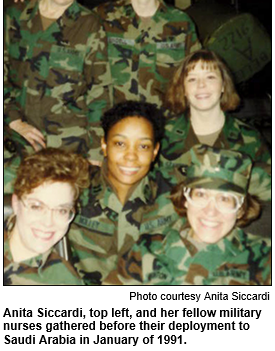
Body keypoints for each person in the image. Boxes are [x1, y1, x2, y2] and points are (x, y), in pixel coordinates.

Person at [4, 0, 109, 193]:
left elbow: (99, 92)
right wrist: (13, 120)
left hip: (68, 142)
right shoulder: (16, 15)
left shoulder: (89, 25)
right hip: (17, 138)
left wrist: (95, 154)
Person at [109, 145, 271, 285]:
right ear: (185, 199)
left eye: (225, 199)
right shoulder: (143, 251)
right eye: (201, 195)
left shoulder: (265, 259)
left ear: (241, 209)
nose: (210, 211)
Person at [68, 101, 183, 285]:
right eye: (120, 143)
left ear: (155, 151)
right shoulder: (75, 187)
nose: (131, 156)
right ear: (104, 145)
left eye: (143, 146)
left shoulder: (176, 194)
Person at [94, 0, 201, 107]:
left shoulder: (181, 23)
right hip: (117, 127)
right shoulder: (102, 17)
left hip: (165, 127)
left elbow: (195, 79)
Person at [160, 49, 271, 204]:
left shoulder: (250, 138)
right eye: (192, 79)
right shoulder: (162, 135)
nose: (201, 85)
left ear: (224, 85)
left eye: (210, 77)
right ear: (183, 89)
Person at [4, 148, 90, 285]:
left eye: (61, 210)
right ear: (15, 203)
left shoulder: (64, 281)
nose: (48, 223)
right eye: (37, 207)